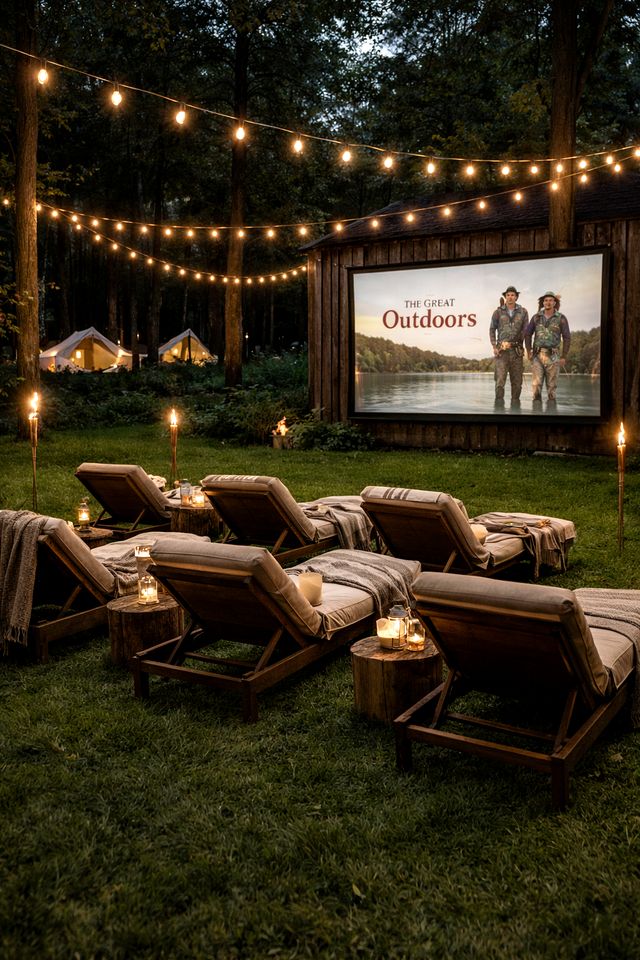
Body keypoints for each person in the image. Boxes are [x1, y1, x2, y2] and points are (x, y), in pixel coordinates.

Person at [525, 291, 571, 403]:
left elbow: (567, 337)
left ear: (555, 303)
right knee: (536, 386)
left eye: (550, 300)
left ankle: (551, 415)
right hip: (537, 356)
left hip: (554, 356)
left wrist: (564, 356)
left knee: (552, 388)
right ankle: (536, 414)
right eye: (546, 300)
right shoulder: (536, 317)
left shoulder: (561, 318)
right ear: (543, 302)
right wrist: (528, 350)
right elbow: (528, 334)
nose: (548, 302)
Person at [489, 285, 528, 405]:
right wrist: (494, 346)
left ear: (516, 297)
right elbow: (492, 329)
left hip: (517, 352)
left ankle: (515, 411)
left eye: (512, 295)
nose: (510, 297)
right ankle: (499, 410)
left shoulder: (523, 312)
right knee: (500, 381)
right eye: (508, 295)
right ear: (505, 297)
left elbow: (526, 331)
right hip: (502, 352)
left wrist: (525, 347)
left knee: (517, 383)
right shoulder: (498, 312)